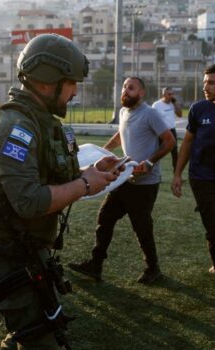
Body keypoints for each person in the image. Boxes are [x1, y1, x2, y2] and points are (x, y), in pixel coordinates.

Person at [0, 34, 119, 349]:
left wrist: (90, 174)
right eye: (71, 83)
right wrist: (84, 186)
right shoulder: (15, 127)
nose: (74, 92)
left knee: (41, 330)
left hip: (29, 249)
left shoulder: (40, 122)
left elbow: (46, 179)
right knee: (39, 340)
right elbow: (28, 201)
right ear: (46, 80)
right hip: (10, 255)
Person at [69, 77, 175, 284]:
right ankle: (95, 265)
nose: (126, 91)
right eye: (125, 87)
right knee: (105, 218)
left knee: (142, 226)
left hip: (145, 184)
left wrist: (150, 163)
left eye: (131, 88)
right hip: (124, 178)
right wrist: (102, 153)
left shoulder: (150, 114)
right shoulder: (124, 111)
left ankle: (153, 269)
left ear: (141, 93)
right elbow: (120, 135)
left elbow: (169, 141)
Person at [172, 64, 215, 275]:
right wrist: (178, 174)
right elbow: (187, 143)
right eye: (205, 82)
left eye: (212, 83)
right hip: (202, 177)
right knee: (212, 224)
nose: (207, 86)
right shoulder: (198, 109)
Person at [152, 87, 182, 172]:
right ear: (163, 95)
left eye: (172, 94)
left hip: (172, 131)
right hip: (161, 132)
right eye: (169, 94)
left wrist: (175, 103)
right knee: (156, 153)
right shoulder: (156, 105)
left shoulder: (172, 104)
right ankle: (156, 174)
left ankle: (176, 174)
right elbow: (152, 119)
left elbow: (180, 115)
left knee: (175, 153)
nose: (171, 96)